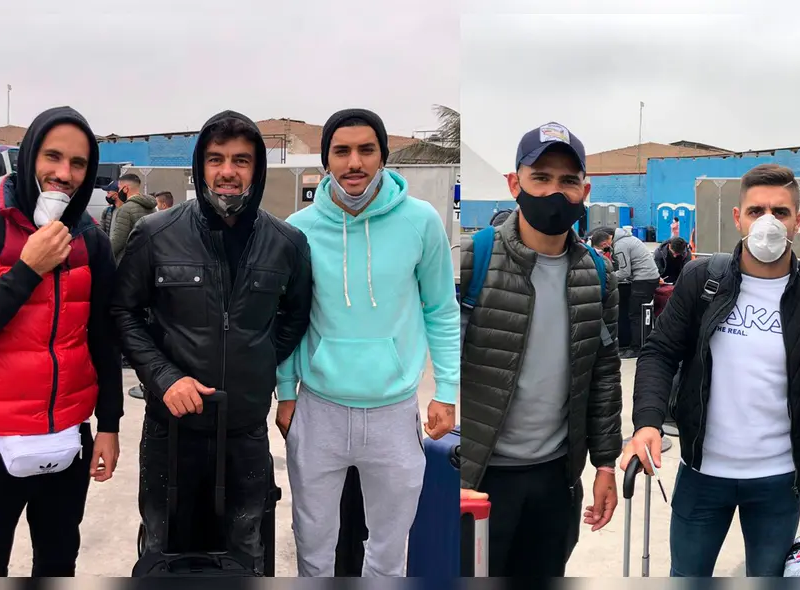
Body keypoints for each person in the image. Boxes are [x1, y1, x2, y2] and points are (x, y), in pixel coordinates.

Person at [623, 163, 800, 577]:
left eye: (779, 212)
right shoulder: (701, 280)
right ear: (737, 217)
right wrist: (646, 423)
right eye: (756, 210)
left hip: (778, 480)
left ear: (798, 221)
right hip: (702, 473)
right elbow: (659, 353)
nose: (767, 222)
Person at [112, 110, 312, 575]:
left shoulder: (287, 243)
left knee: (245, 554)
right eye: (216, 159)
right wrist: (165, 377)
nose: (228, 171)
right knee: (166, 554)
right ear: (200, 165)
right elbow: (123, 312)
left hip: (245, 432)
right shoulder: (155, 234)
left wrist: (257, 361)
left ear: (257, 170)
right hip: (171, 435)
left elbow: (295, 316)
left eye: (241, 160)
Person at [276, 108, 458, 578]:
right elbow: (291, 316)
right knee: (313, 545)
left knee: (389, 550)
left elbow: (441, 308)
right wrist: (287, 391)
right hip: (319, 410)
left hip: (394, 412)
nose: (354, 162)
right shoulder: (300, 228)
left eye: (365, 150)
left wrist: (447, 392)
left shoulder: (420, 222)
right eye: (342, 151)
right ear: (326, 160)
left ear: (382, 156)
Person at [459, 122, 622, 577]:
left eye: (568, 181)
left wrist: (605, 464)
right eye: (541, 177)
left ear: (584, 190)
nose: (555, 192)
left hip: (555, 479)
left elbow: (604, 373)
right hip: (480, 480)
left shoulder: (598, 273)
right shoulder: (473, 260)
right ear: (515, 184)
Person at [0, 106, 123, 576]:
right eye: (53, 157)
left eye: (78, 163)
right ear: (29, 158)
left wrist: (109, 424)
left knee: (59, 562)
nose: (63, 173)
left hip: (66, 438)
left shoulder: (91, 241)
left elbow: (103, 338)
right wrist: (26, 270)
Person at [608, 226, 660, 358]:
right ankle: (644, 344)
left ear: (609, 237)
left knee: (636, 315)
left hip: (643, 280)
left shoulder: (621, 245)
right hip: (649, 277)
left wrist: (607, 276)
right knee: (643, 315)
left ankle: (636, 348)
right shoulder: (629, 239)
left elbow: (625, 271)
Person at [109, 173, 156, 264]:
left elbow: (118, 241)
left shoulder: (126, 208)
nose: (118, 191)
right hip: (148, 260)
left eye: (119, 188)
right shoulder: (152, 207)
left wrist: (104, 256)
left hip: (129, 262)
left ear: (126, 189)